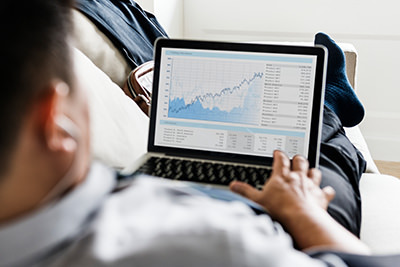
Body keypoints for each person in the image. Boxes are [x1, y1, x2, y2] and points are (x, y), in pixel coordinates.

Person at [0, 0, 388, 266]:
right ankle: (327, 105)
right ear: (55, 120)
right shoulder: (220, 242)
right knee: (309, 174)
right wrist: (303, 214)